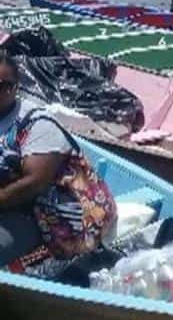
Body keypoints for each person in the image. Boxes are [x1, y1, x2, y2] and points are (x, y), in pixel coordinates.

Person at [0, 51, 114, 265]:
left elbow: (35, 184)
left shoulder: (36, 124)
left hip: (40, 215)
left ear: (15, 87)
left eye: (1, 86)